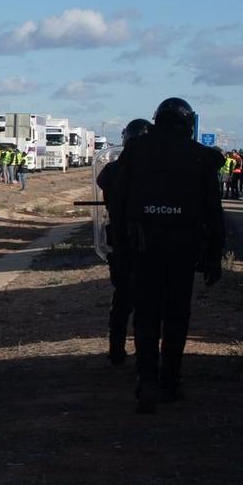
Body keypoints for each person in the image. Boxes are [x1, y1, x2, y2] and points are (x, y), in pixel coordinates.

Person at [113, 97, 225, 412]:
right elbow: (213, 213)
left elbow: (118, 202)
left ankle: (146, 378)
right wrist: (215, 254)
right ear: (188, 124)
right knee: (176, 314)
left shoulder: (136, 150)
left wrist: (120, 245)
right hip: (183, 246)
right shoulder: (201, 157)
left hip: (143, 244)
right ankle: (170, 380)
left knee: (146, 313)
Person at [96, 118, 154, 366]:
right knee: (150, 305)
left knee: (121, 301)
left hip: (121, 243)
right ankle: (148, 355)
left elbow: (102, 181)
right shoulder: (154, 169)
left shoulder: (114, 169)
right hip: (150, 246)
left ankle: (116, 349)